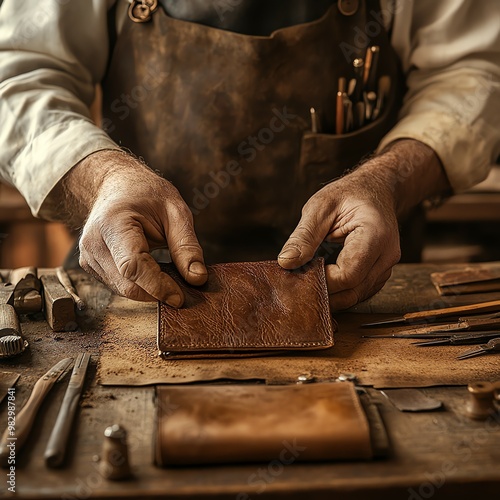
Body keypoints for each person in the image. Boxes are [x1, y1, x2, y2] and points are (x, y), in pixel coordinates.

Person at [0, 0, 499, 311]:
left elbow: (472, 72)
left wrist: (388, 180)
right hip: (139, 285)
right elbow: (19, 74)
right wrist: (102, 178)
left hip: (358, 288)